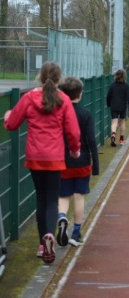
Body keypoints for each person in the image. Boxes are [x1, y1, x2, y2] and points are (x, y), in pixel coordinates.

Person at [3, 61, 81, 264]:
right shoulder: (63, 99)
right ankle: (50, 235)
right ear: (59, 79)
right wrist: (74, 149)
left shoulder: (29, 97)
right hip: (55, 157)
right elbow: (73, 130)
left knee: (41, 198)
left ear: (40, 76)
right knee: (52, 200)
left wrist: (7, 116)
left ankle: (41, 243)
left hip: (35, 156)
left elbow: (12, 124)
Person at [57, 77, 99, 247]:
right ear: (80, 94)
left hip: (63, 160)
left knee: (63, 195)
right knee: (79, 196)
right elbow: (90, 140)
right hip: (82, 161)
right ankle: (75, 233)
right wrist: (95, 164)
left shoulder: (59, 114)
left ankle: (61, 218)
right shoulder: (85, 114)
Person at [106, 69, 129, 146]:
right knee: (122, 122)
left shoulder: (112, 85)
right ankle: (121, 139)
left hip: (114, 105)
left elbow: (108, 96)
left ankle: (113, 134)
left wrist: (108, 104)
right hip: (122, 106)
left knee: (114, 121)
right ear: (124, 76)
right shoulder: (126, 86)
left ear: (116, 76)